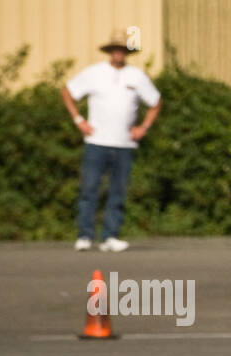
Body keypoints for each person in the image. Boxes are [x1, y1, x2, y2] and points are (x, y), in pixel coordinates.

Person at [61, 28, 161, 252]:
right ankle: (85, 235)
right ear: (110, 51)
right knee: (89, 189)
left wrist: (143, 127)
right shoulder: (94, 73)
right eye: (115, 49)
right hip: (96, 142)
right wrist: (79, 120)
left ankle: (110, 236)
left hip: (124, 143)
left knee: (118, 190)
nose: (119, 53)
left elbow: (155, 102)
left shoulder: (136, 76)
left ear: (126, 52)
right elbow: (67, 92)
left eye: (122, 49)